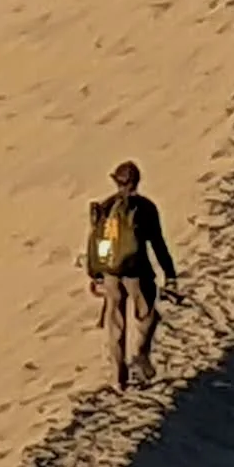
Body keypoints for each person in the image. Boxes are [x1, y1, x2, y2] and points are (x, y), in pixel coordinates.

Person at [83, 161, 177, 389]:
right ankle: (141, 354)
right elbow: (157, 243)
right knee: (147, 315)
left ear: (117, 182)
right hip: (137, 271)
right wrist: (169, 273)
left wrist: (97, 272)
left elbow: (100, 242)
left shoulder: (107, 206)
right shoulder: (145, 208)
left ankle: (119, 377)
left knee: (116, 323)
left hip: (111, 273)